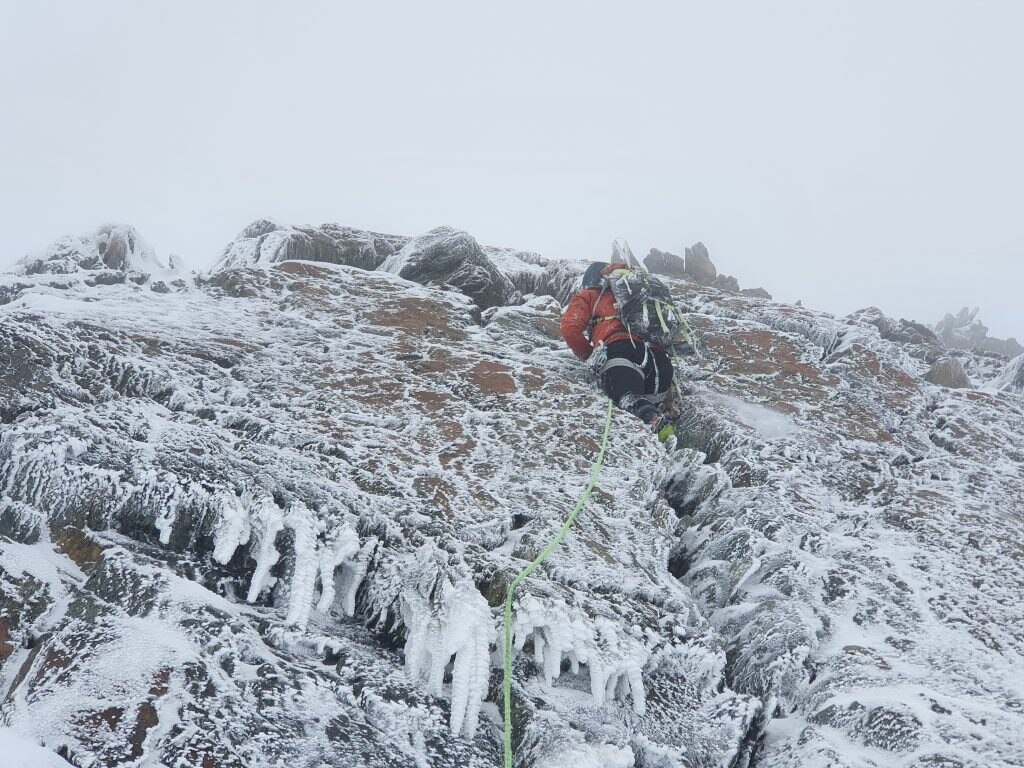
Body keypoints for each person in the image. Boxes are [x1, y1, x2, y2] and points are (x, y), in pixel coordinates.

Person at [560, 260, 676, 443]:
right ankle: (665, 427)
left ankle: (657, 425)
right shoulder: (640, 297)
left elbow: (570, 328)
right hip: (660, 361)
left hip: (621, 351)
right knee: (648, 403)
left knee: (628, 398)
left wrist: (590, 356)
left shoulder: (590, 295)